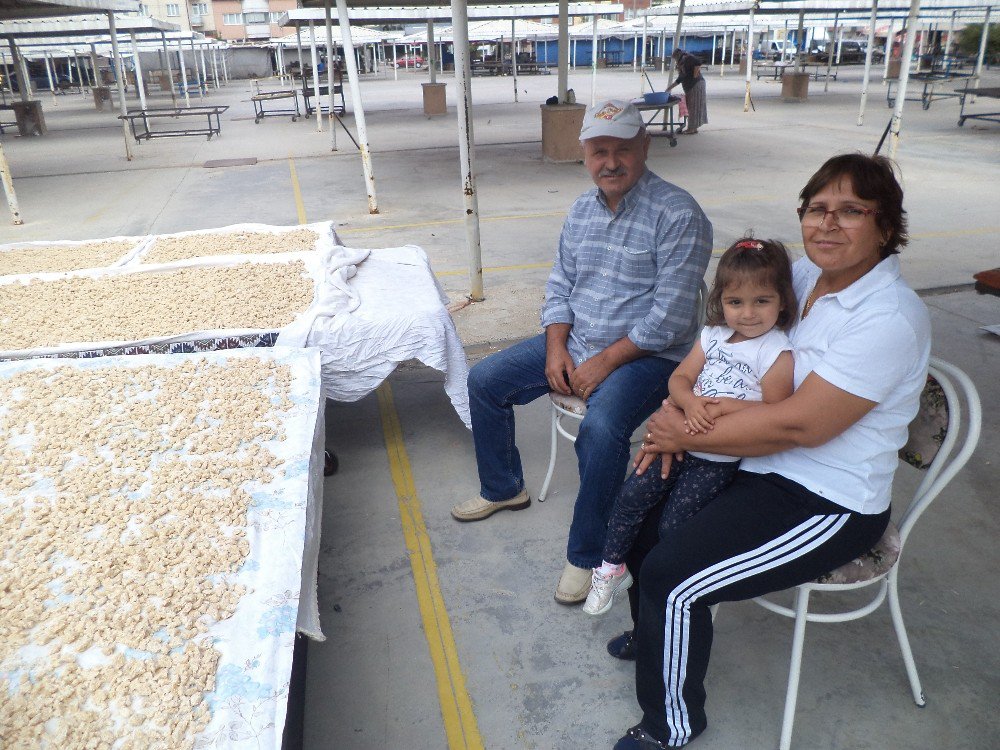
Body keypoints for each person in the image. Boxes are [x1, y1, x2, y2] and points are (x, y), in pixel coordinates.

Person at [609, 153, 931, 750]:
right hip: (753, 464)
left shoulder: (888, 317)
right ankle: (655, 631)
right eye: (817, 209)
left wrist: (683, 433)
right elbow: (725, 359)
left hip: (825, 500)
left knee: (675, 578)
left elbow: (799, 428)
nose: (828, 225)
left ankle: (671, 723)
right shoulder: (802, 278)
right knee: (644, 529)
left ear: (886, 228)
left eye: (852, 211)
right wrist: (675, 409)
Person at [451, 99, 713, 605]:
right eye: (598, 151)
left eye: (621, 150)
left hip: (649, 357)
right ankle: (505, 487)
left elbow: (672, 317)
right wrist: (556, 347)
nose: (609, 162)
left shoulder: (679, 213)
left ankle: (590, 555)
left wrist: (604, 361)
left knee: (601, 428)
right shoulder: (580, 209)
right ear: (585, 154)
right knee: (485, 381)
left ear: (645, 146)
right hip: (578, 341)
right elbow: (559, 285)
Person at [582, 237, 796, 616]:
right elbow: (679, 379)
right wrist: (689, 402)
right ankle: (611, 569)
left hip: (718, 459)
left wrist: (726, 406)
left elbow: (775, 410)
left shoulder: (775, 350)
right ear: (721, 301)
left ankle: (672, 593)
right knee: (631, 497)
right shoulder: (711, 336)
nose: (748, 314)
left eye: (761, 301)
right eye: (735, 302)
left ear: (782, 301)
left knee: (674, 523)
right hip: (675, 442)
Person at [667, 49, 707, 135]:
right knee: (693, 107)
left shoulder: (687, 58)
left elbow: (698, 62)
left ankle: (691, 129)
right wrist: (669, 88)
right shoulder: (683, 63)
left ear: (677, 56)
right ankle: (693, 128)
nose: (675, 61)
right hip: (691, 87)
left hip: (695, 85)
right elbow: (680, 79)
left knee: (692, 108)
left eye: (675, 58)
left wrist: (695, 74)